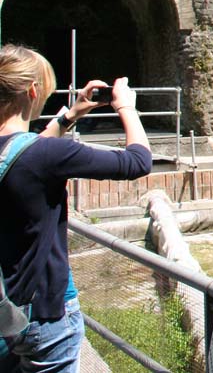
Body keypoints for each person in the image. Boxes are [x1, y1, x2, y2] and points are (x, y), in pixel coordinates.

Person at [0, 45, 152, 372]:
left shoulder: (33, 155)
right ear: (33, 90)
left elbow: (19, 156)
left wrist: (69, 115)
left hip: (3, 313)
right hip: (43, 315)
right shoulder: (49, 156)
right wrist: (126, 107)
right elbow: (138, 161)